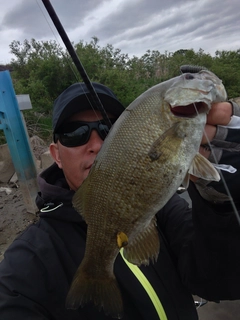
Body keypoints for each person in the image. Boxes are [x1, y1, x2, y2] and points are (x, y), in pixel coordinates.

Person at [0, 79, 240, 320]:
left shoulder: (161, 208)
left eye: (110, 129)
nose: (96, 144)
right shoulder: (28, 261)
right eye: (74, 133)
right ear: (56, 156)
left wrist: (221, 207)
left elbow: (219, 282)